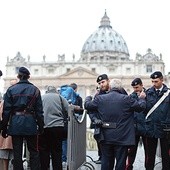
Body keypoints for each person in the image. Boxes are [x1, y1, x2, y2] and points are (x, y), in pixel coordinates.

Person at [84, 79, 146, 170]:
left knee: (106, 160)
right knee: (121, 162)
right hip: (122, 136)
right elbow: (141, 107)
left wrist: (88, 97)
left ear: (110, 87)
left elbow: (87, 106)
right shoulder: (127, 99)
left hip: (105, 135)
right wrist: (141, 99)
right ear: (120, 88)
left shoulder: (100, 98)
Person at [1, 66, 44, 170]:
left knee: (17, 153)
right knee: (34, 151)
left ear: (18, 76)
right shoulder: (36, 90)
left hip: (16, 124)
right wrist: (41, 126)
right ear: (29, 76)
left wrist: (4, 128)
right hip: (31, 124)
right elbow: (39, 112)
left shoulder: (11, 90)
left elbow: (6, 111)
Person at [144, 71, 170, 170]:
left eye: (156, 81)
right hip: (151, 127)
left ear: (162, 80)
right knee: (150, 155)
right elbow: (144, 110)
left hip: (165, 128)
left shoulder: (168, 93)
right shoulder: (148, 93)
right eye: (153, 81)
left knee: (166, 154)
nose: (154, 84)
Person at [39, 86, 69, 170]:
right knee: (57, 151)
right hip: (57, 127)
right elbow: (68, 110)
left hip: (44, 127)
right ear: (55, 91)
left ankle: (45, 168)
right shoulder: (60, 98)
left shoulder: (42, 98)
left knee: (44, 151)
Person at [88, 74, 110, 164]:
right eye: (99, 83)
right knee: (101, 142)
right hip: (101, 124)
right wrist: (94, 119)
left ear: (108, 81)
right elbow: (91, 110)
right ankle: (101, 157)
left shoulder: (118, 91)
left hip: (115, 124)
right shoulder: (98, 95)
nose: (101, 84)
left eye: (103, 82)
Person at [126, 78, 147, 170]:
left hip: (146, 127)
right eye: (134, 88)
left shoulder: (148, 95)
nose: (135, 89)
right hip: (134, 128)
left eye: (137, 87)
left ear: (142, 85)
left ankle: (148, 167)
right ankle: (129, 166)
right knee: (131, 151)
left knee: (148, 152)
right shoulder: (131, 96)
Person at [0, 79, 18, 170]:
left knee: (7, 157)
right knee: (11, 156)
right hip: (10, 131)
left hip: (7, 132)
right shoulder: (16, 100)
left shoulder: (5, 101)